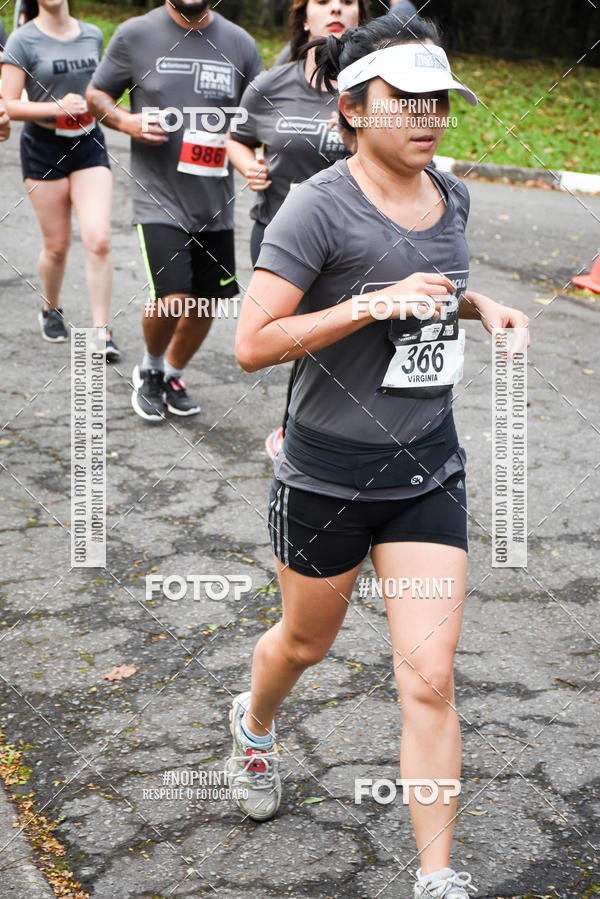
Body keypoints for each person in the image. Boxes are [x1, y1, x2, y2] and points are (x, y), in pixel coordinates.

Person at [227, 14, 529, 899]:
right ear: (354, 109)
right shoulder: (316, 206)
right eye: (407, 99)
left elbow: (435, 287)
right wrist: (368, 304)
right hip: (324, 474)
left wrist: (485, 307)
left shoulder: (450, 192)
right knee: (303, 643)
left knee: (428, 677)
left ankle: (437, 876)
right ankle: (254, 723)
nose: (430, 115)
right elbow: (252, 342)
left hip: (426, 470)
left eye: (440, 99)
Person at [87, 0, 262, 422]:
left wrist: (258, 156)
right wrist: (127, 122)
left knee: (206, 302)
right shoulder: (135, 35)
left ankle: (172, 374)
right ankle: (149, 368)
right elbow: (97, 95)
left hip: (215, 201)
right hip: (159, 196)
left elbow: (259, 116)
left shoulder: (240, 44)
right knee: (173, 297)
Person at [1, 0, 118, 357]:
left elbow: (100, 90)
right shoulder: (22, 40)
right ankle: (50, 308)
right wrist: (55, 107)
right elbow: (8, 104)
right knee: (57, 246)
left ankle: (102, 332)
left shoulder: (94, 35)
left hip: (88, 144)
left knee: (98, 240)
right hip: (43, 147)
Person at [272, 0, 418, 66]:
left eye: (347, 2)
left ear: (360, 18)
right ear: (305, 19)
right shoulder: (273, 82)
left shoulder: (379, 73)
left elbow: (403, 14)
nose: (336, 8)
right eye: (322, 1)